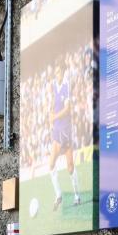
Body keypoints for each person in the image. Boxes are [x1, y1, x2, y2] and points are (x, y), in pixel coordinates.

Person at [48, 59, 81, 211]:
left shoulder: (66, 87)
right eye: (55, 72)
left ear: (63, 71)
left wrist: (54, 117)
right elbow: (54, 102)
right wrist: (50, 113)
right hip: (57, 129)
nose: (56, 74)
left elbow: (68, 109)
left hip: (65, 129)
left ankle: (62, 195)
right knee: (66, 165)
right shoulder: (54, 85)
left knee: (57, 164)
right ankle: (70, 196)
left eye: (58, 71)